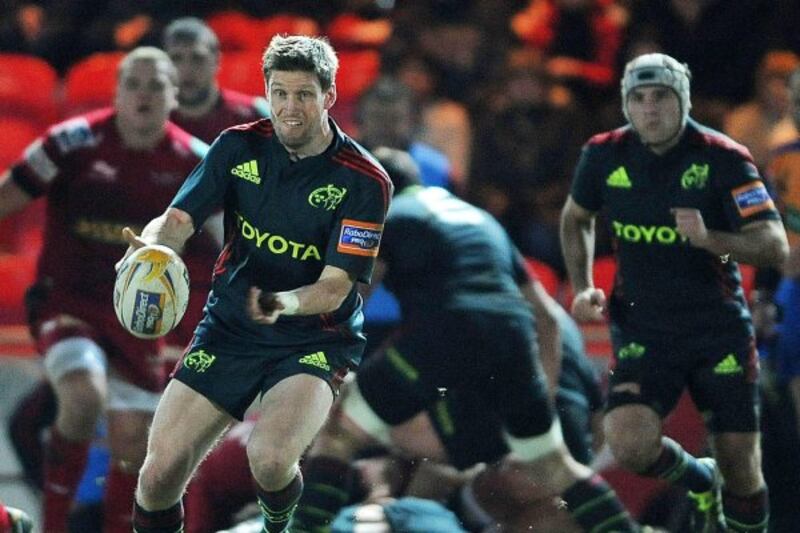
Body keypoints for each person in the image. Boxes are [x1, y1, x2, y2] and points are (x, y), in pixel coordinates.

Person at [293, 147, 640, 533]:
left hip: (447, 327)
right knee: (555, 466)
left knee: (339, 431)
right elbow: (546, 316)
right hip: (512, 334)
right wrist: (541, 392)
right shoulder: (480, 221)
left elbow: (354, 293)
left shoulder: (382, 213)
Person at [126, 34, 392, 533]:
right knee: (157, 476)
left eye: (304, 95)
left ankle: (278, 526)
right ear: (266, 93)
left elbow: (337, 287)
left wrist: (282, 301)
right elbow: (179, 218)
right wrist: (155, 245)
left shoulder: (365, 181)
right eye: (280, 93)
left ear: (329, 96)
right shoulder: (237, 146)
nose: (290, 108)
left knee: (269, 460)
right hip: (229, 327)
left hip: (314, 336)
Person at [560, 52, 789, 533]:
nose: (650, 109)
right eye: (638, 99)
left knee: (743, 471)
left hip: (717, 329)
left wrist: (713, 240)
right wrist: (583, 286)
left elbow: (774, 246)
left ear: (681, 99)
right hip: (643, 327)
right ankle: (698, 477)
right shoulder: (603, 154)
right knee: (628, 444)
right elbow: (576, 217)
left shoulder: (725, 158)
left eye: (660, 97)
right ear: (625, 105)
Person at [0, 46, 208, 533]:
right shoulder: (71, 142)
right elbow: (8, 194)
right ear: (116, 92)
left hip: (143, 317)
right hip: (67, 301)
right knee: (83, 395)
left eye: (156, 86)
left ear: (174, 96)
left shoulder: (196, 164)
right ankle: (53, 527)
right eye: (133, 84)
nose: (143, 96)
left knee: (135, 443)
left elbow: (232, 243)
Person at [162, 16, 269, 145]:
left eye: (197, 58)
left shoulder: (254, 116)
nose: (187, 69)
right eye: (176, 58)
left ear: (217, 60)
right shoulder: (150, 121)